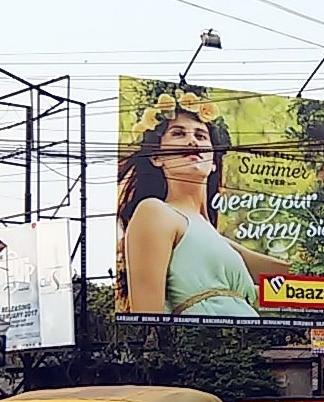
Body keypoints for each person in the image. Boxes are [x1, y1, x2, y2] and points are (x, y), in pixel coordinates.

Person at [118, 90, 290, 317]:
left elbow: (292, 277)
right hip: (195, 348)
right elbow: (147, 318)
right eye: (178, 134)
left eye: (201, 136)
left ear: (214, 163)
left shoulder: (218, 242)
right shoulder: (155, 212)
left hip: (243, 345)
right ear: (156, 157)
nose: (191, 140)